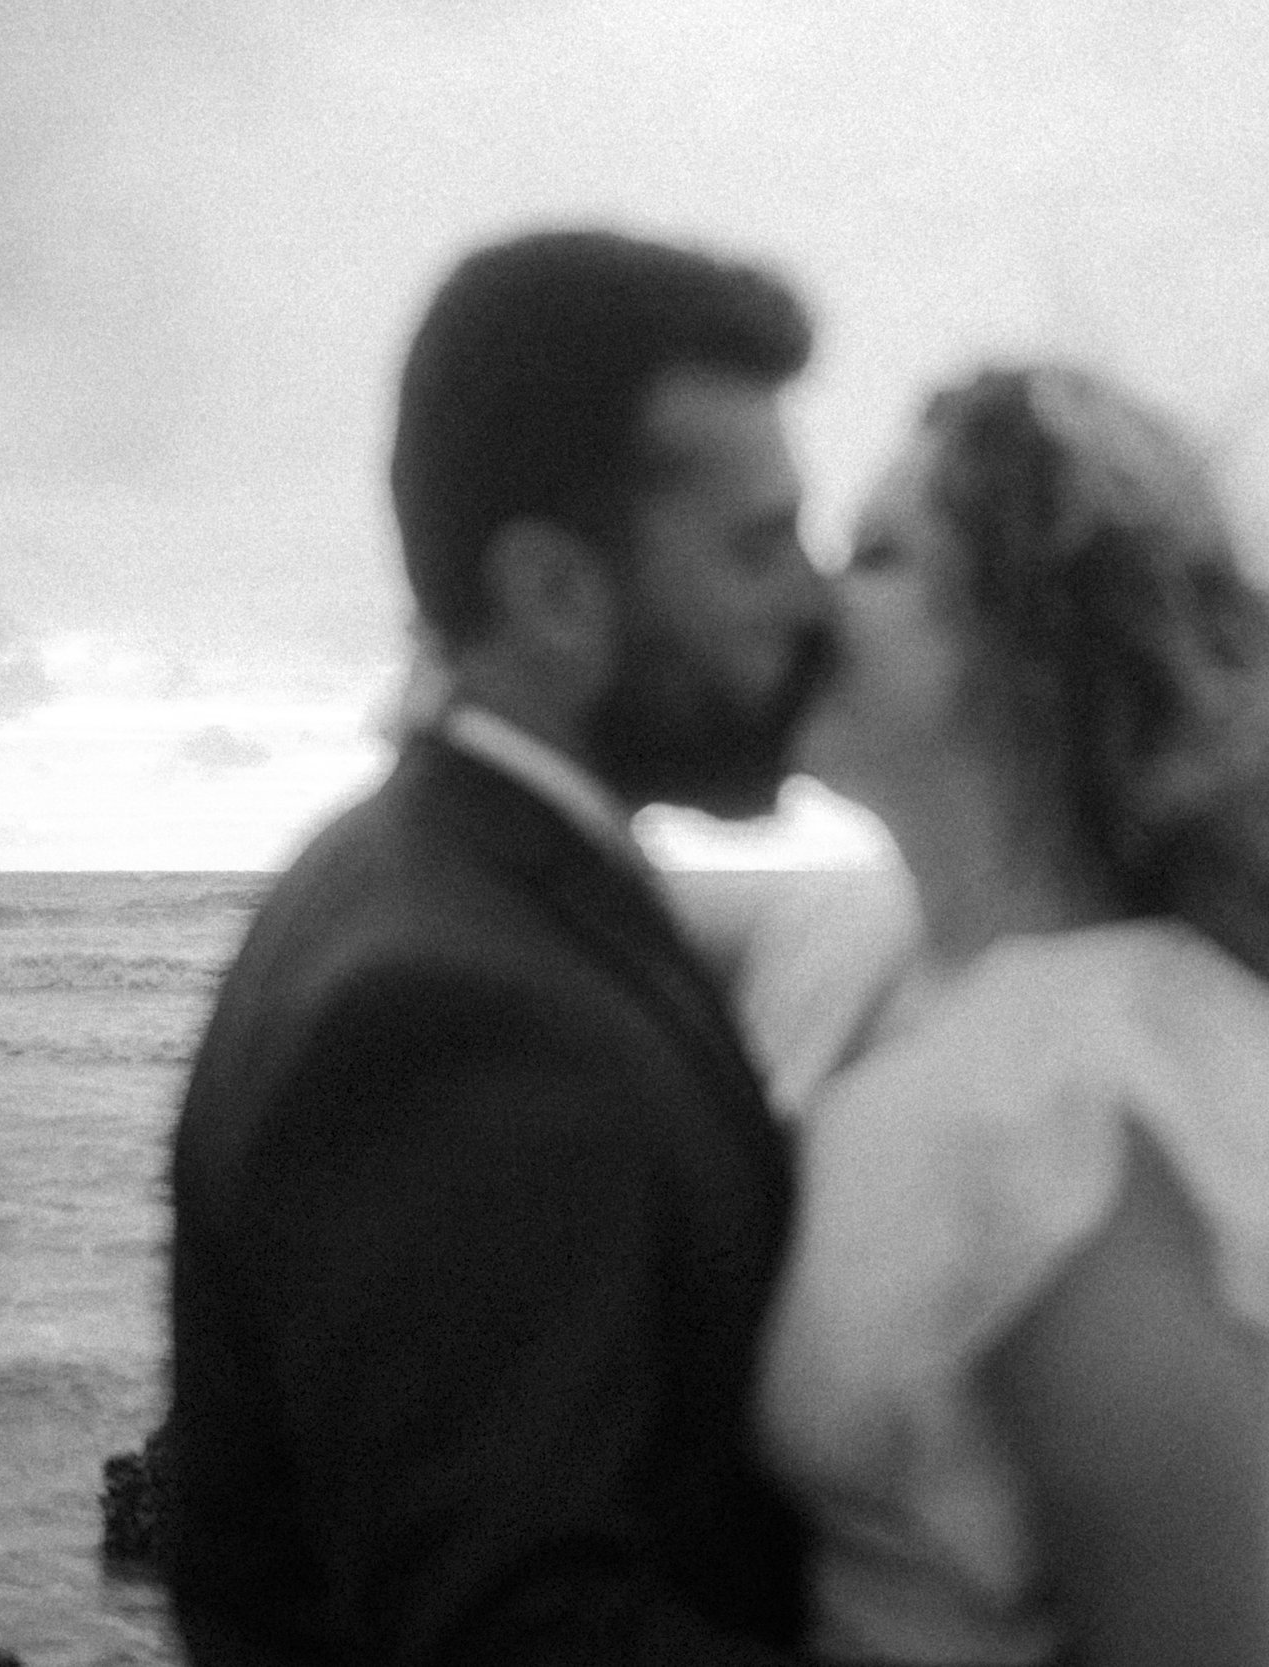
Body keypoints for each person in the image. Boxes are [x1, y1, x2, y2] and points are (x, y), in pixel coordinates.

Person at [163, 228, 836, 1667]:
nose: (813, 601)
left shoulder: (433, 874)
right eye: (760, 544)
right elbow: (517, 1634)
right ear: (553, 594)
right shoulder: (455, 1017)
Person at [742, 362, 1269, 1667]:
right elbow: (590, 899)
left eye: (881, 557)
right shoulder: (875, 953)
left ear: (1033, 654)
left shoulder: (1079, 1118)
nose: (808, 601)